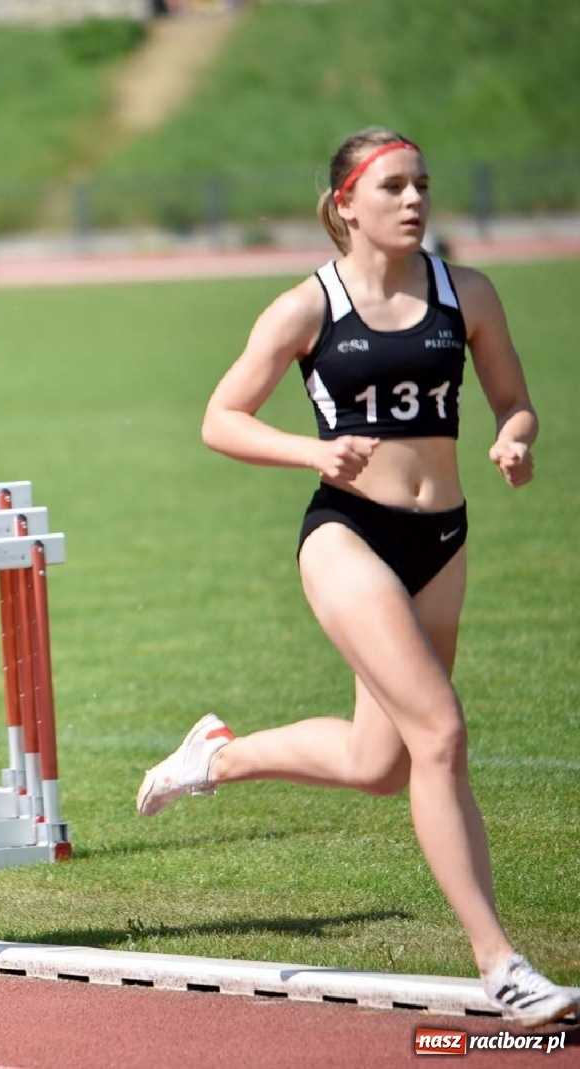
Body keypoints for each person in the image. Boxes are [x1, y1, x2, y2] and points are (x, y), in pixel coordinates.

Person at [136, 127, 575, 1028]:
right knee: (441, 734)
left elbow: (516, 399)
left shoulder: (469, 292)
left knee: (381, 763)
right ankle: (501, 964)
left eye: (423, 185)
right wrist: (312, 450)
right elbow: (221, 418)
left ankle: (216, 756)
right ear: (346, 204)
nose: (414, 201)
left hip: (443, 537)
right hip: (347, 537)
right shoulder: (308, 307)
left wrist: (516, 438)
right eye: (394, 188)